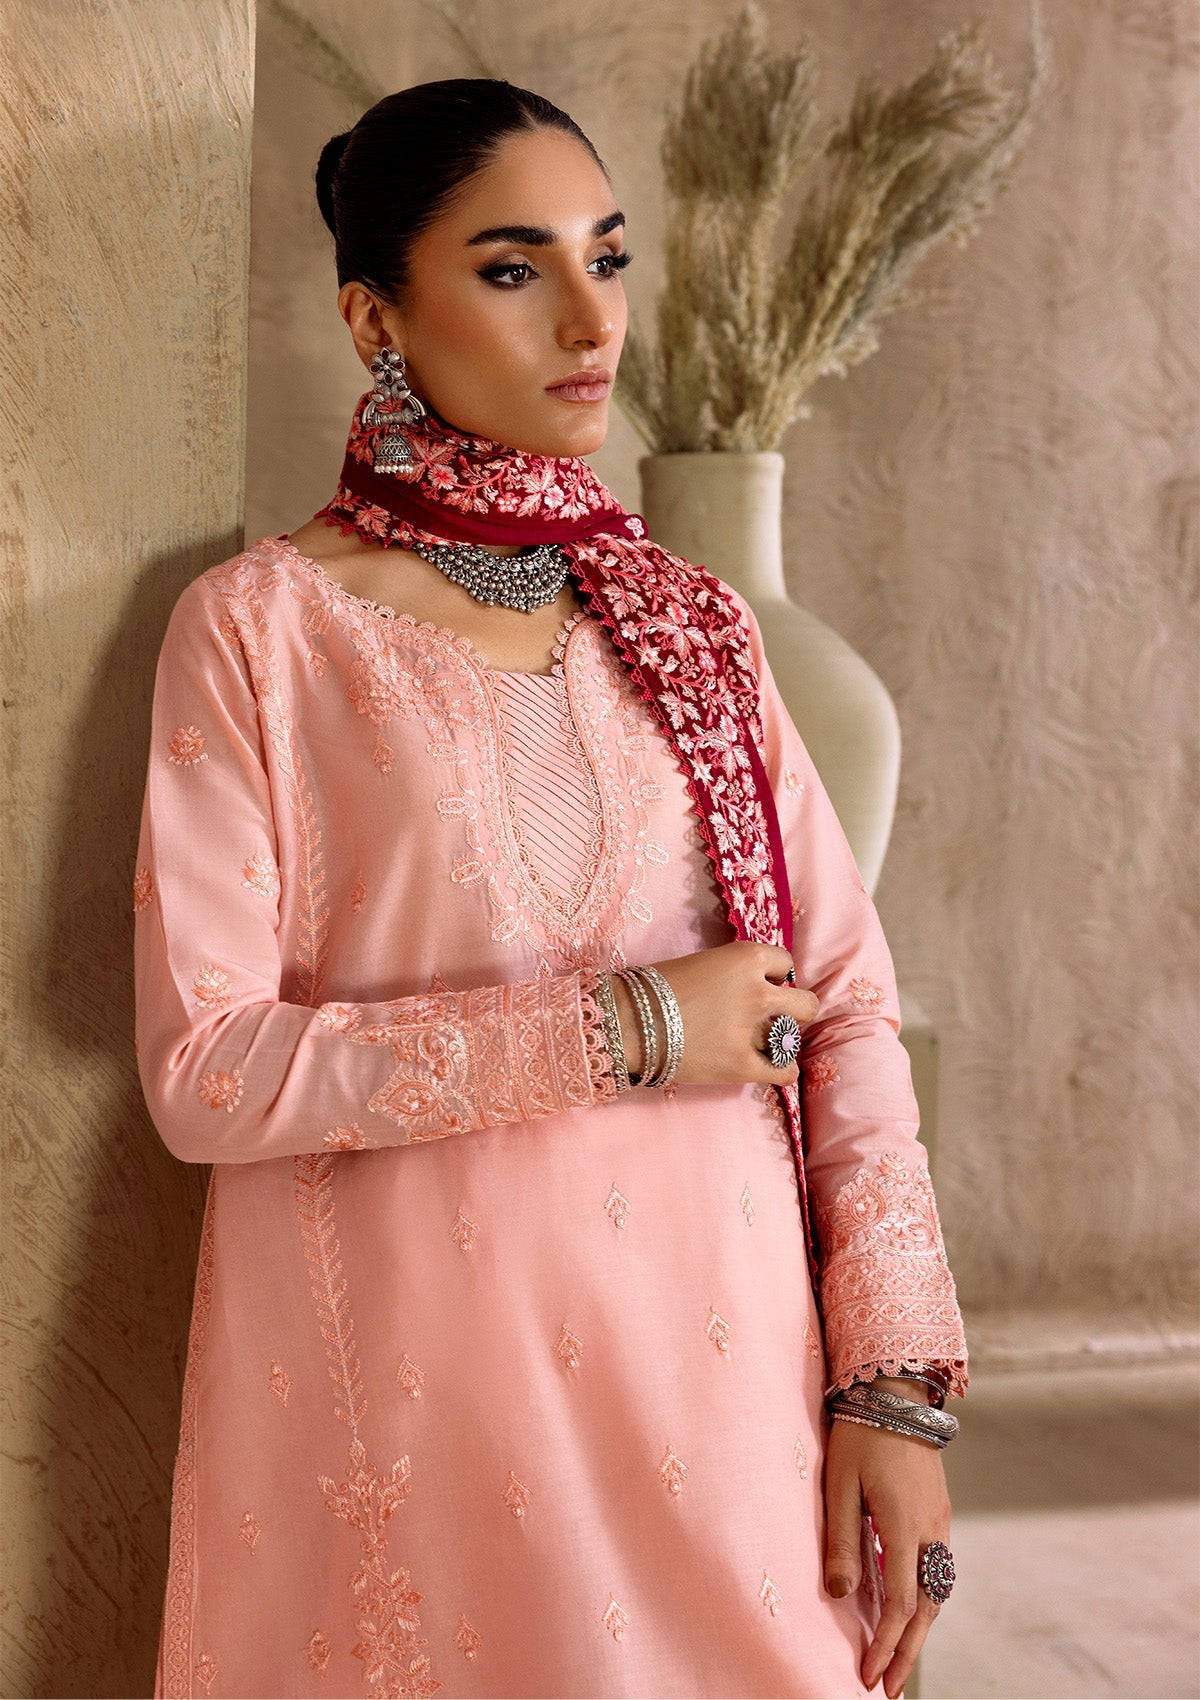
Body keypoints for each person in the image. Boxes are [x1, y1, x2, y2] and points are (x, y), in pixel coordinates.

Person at [134, 77, 969, 1700]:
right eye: (515, 269)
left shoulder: (692, 627)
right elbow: (207, 1071)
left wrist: (893, 1398)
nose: (592, 320)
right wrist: (628, 1027)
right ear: (375, 318)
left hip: (732, 1398)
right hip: (426, 1415)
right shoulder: (262, 632)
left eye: (609, 257)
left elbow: (846, 1007)